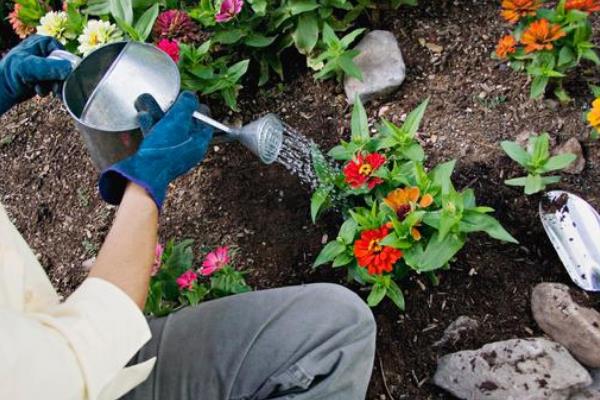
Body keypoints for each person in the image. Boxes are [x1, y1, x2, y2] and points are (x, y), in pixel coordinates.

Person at [0, 35, 376, 400]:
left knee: (333, 326)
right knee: (334, 341)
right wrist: (145, 181)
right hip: (63, 372)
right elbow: (69, 364)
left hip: (43, 345)